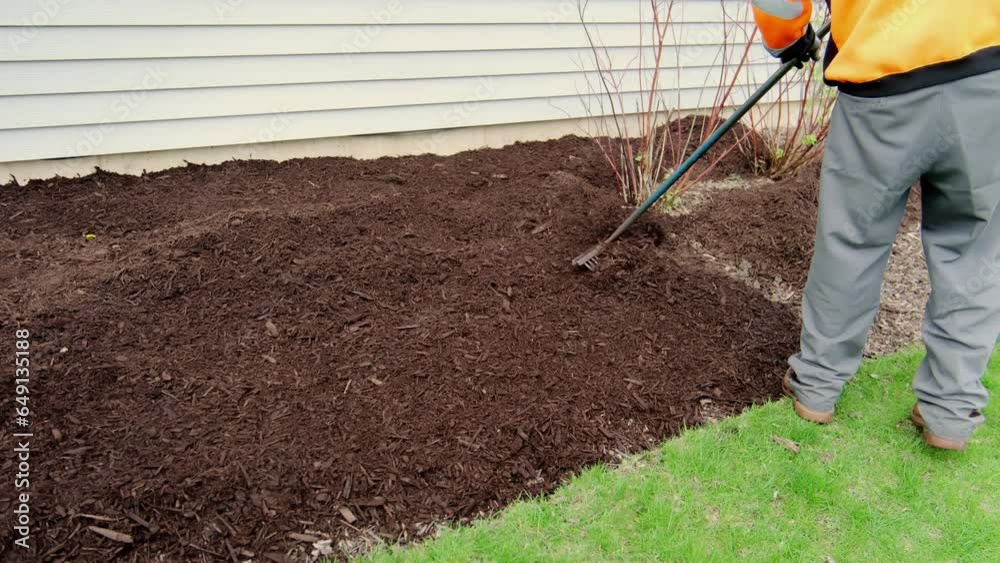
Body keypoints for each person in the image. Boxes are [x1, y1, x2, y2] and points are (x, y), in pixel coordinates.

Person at [750, 0, 1000, 450]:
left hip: (883, 85)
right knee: (974, 249)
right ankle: (950, 409)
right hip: (987, 75)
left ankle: (817, 386)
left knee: (851, 241)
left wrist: (788, 37)